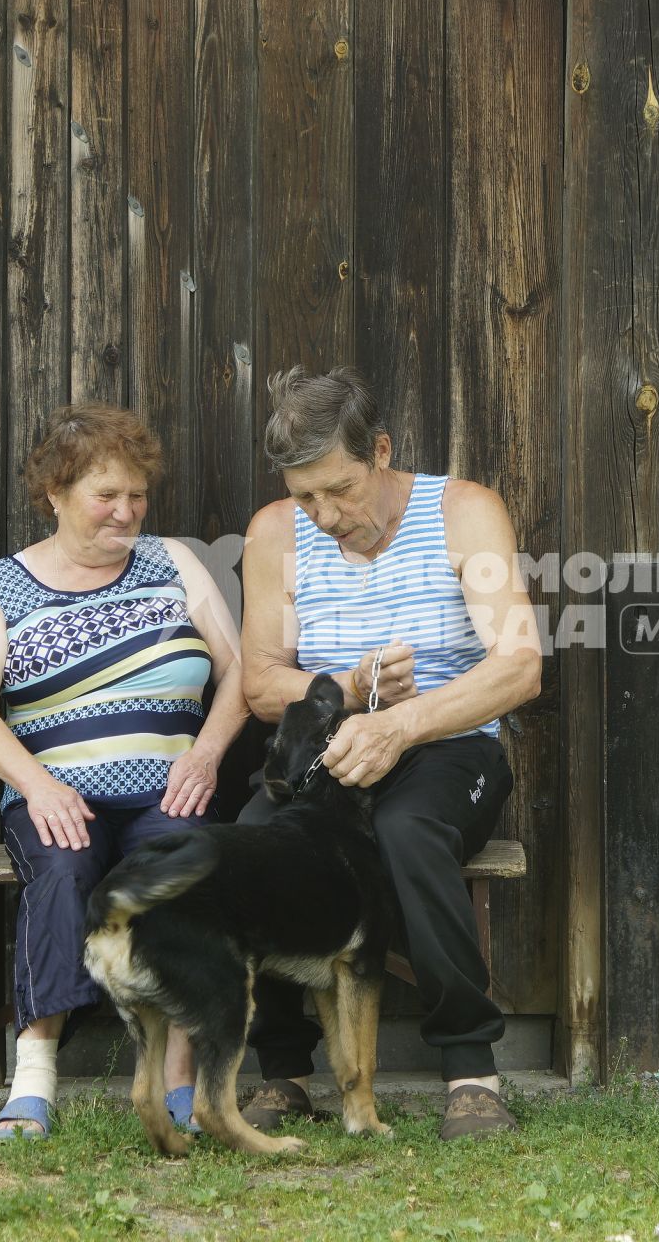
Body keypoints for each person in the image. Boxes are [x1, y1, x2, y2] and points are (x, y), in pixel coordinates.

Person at [235, 366, 542, 1141]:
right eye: (306, 496)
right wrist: (348, 685)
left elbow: (519, 665)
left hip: (448, 743)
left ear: (381, 450)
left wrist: (402, 725)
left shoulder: (463, 511)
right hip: (330, 744)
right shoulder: (276, 531)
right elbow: (261, 683)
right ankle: (284, 1071)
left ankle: (470, 1069)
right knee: (255, 836)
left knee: (409, 832)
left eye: (338, 489)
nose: (325, 514)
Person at [0, 403, 250, 1139]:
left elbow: (241, 673)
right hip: (57, 793)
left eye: (137, 496)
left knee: (179, 865)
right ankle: (34, 1081)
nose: (127, 512)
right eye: (106, 496)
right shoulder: (3, 587)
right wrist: (37, 784)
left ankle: (180, 1080)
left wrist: (207, 753)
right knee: (60, 866)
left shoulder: (173, 564)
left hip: (172, 784)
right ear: (55, 495)